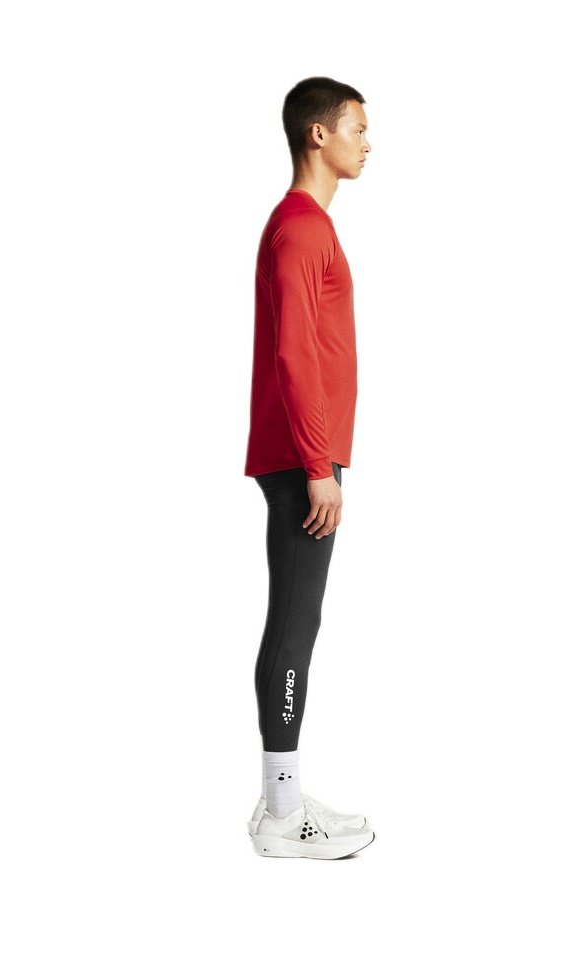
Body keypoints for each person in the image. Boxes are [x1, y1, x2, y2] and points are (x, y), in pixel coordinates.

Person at [243, 77, 374, 859]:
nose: (368, 142)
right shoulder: (299, 228)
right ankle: (282, 814)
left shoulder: (308, 225)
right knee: (295, 624)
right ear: (317, 134)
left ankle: (281, 798)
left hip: (306, 453)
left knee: (301, 619)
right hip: (303, 459)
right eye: (356, 127)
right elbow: (293, 353)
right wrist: (319, 465)